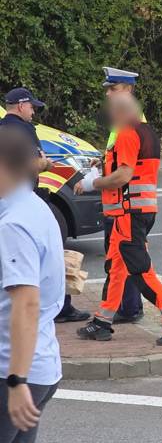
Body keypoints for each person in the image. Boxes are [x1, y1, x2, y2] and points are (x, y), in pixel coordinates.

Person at [75, 94, 162, 345]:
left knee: (140, 270)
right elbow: (134, 166)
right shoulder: (146, 132)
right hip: (136, 211)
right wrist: (105, 163)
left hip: (128, 213)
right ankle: (102, 322)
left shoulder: (127, 133)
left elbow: (123, 176)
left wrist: (92, 184)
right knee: (116, 268)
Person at [0, 88, 89, 325]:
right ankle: (61, 307)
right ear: (21, 106)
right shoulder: (23, 130)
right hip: (24, 197)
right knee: (49, 251)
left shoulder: (3, 128)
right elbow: (31, 163)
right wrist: (45, 164)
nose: (33, 112)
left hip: (9, 198)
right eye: (32, 107)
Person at [0, 126, 65, 442]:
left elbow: (26, 303)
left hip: (11, 371)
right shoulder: (34, 207)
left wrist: (17, 381)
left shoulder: (13, 224)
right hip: (42, 363)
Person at [99, 67, 146, 324]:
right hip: (120, 202)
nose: (108, 93)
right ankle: (126, 307)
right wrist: (103, 162)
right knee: (122, 259)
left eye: (113, 88)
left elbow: (129, 166)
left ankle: (129, 308)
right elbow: (118, 156)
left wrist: (96, 181)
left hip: (125, 203)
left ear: (128, 90)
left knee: (126, 258)